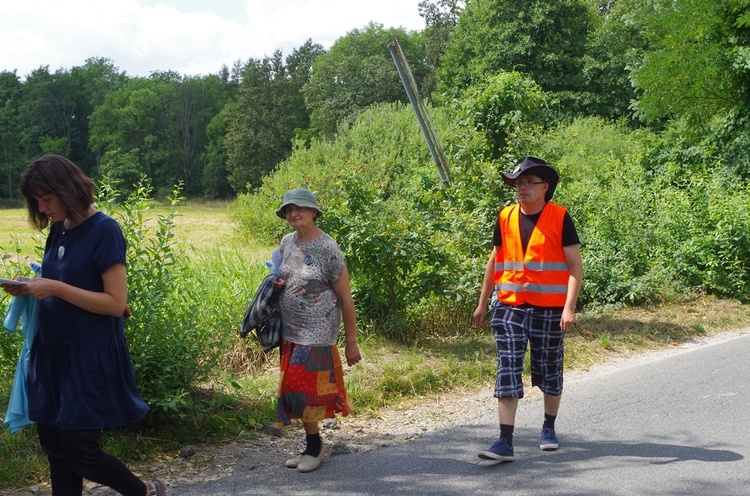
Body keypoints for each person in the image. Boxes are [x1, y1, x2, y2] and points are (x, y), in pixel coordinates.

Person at [0, 155, 165, 495]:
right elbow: (65, 280)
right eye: (37, 200)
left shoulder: (104, 230)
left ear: (68, 189)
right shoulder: (59, 229)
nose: (42, 207)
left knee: (80, 453)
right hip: (51, 354)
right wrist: (31, 287)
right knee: (56, 452)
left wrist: (54, 287)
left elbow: (115, 303)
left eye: (47, 198)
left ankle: (145, 491)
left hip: (87, 358)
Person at [472, 156, 583, 461]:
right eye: (518, 183)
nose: (521, 188)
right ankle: (504, 441)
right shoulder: (505, 216)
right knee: (508, 365)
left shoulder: (560, 217)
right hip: (509, 304)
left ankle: (548, 427)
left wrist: (569, 308)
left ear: (544, 187)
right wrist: (482, 302)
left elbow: (575, 267)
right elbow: (494, 261)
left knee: (548, 366)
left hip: (550, 308)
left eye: (528, 182)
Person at [272, 187, 362, 473]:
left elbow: (346, 299)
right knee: (294, 391)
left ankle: (315, 447)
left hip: (318, 331)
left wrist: (351, 341)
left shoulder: (329, 249)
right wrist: (277, 285)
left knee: (302, 388)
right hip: (290, 331)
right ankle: (312, 444)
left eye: (299, 208)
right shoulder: (287, 241)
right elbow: (287, 274)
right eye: (288, 209)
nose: (293, 214)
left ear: (313, 212)